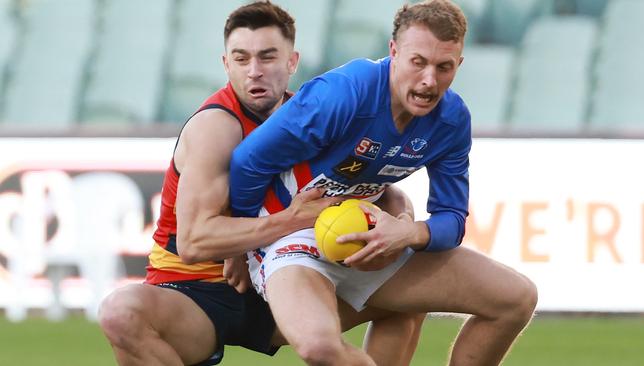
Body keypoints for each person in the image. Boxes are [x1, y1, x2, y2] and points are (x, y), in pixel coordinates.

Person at [98, 2, 424, 366]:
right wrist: (288, 221)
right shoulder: (214, 128)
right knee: (120, 313)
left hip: (282, 277)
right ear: (226, 64)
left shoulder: (315, 115)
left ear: (292, 62)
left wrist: (401, 224)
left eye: (267, 57)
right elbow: (193, 243)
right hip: (195, 290)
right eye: (241, 59)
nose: (254, 72)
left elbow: (383, 189)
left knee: (411, 295)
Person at [228, 0, 538, 365]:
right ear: (393, 52)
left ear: (459, 64)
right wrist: (241, 243)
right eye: (418, 62)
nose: (429, 80)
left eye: (444, 67)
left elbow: (452, 218)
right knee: (318, 348)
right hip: (290, 239)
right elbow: (247, 162)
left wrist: (406, 233)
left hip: (371, 234)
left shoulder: (452, 120)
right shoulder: (343, 93)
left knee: (517, 298)